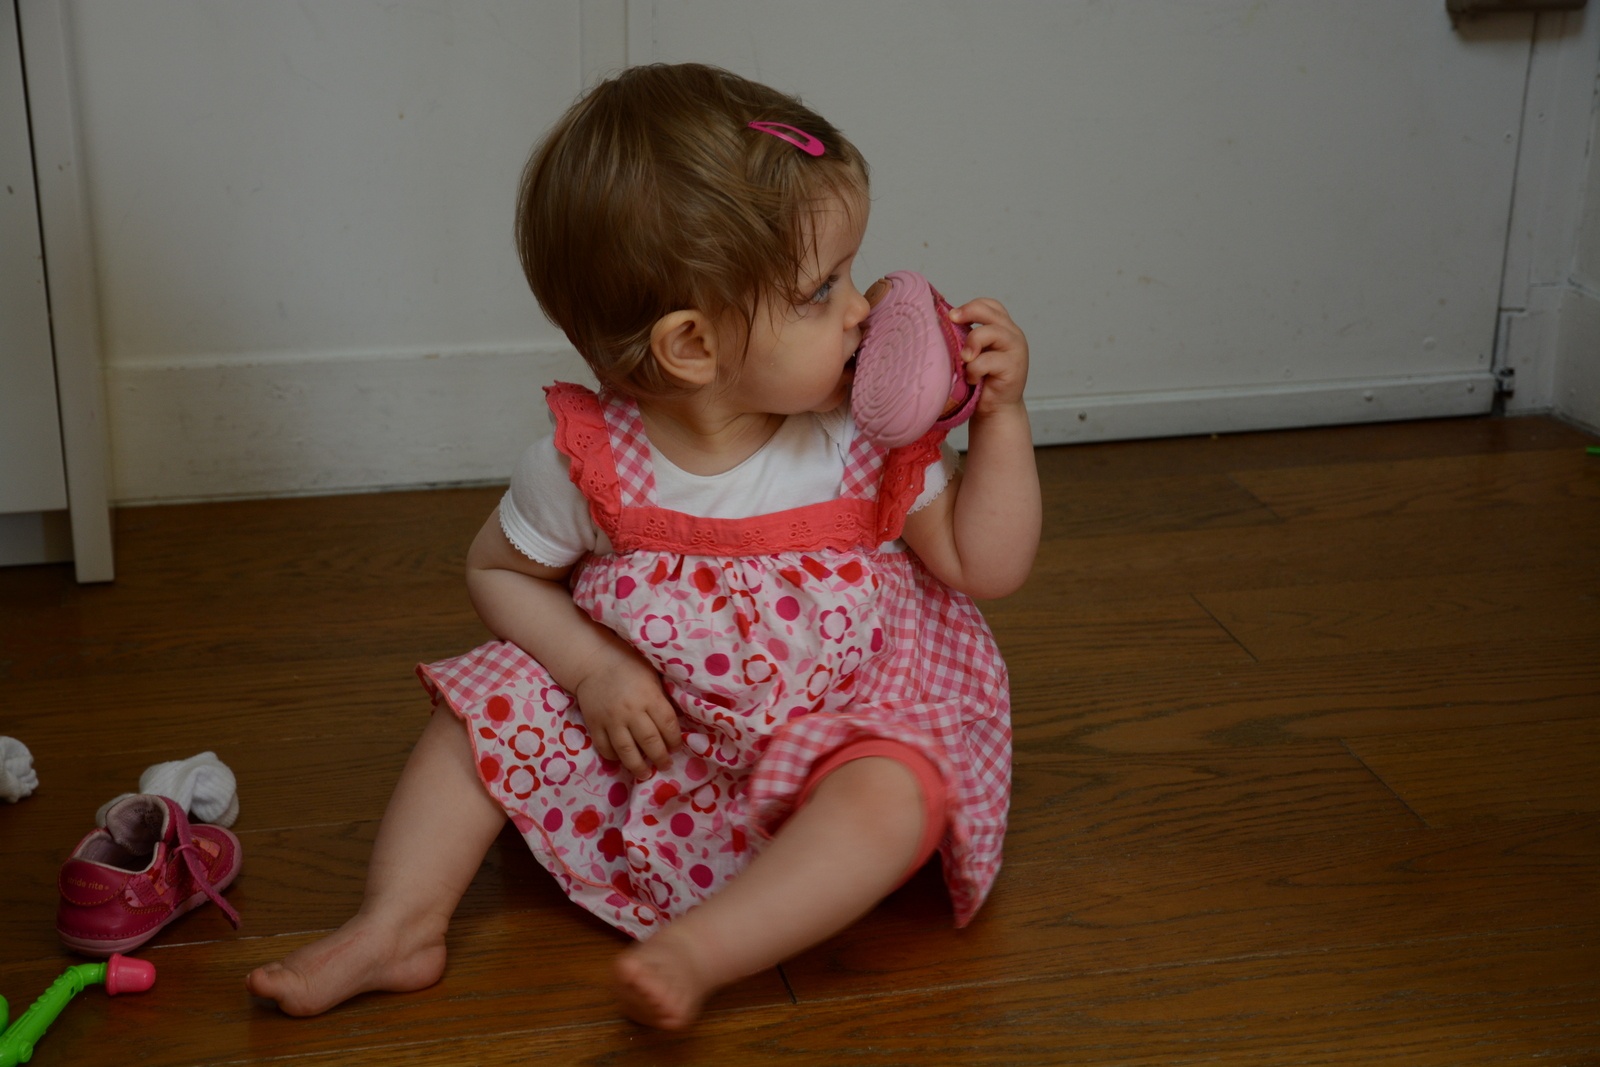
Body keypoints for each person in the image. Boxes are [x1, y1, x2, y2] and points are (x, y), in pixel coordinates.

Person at [246, 62, 1040, 1031]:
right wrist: (591, 671)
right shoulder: (590, 466)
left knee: (892, 791)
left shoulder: (862, 435)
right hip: (657, 737)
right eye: (820, 289)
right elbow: (497, 571)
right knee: (484, 700)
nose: (861, 311)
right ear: (692, 346)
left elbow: (984, 564)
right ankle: (399, 920)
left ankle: (707, 948)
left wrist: (1001, 419)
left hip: (841, 731)